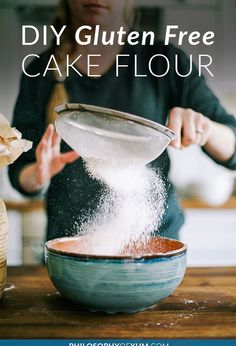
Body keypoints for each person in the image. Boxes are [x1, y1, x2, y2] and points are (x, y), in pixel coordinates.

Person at [9, 0, 236, 241]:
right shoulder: (41, 72)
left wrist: (206, 127)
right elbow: (19, 171)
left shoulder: (163, 61)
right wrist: (38, 174)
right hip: (70, 245)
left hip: (152, 243)